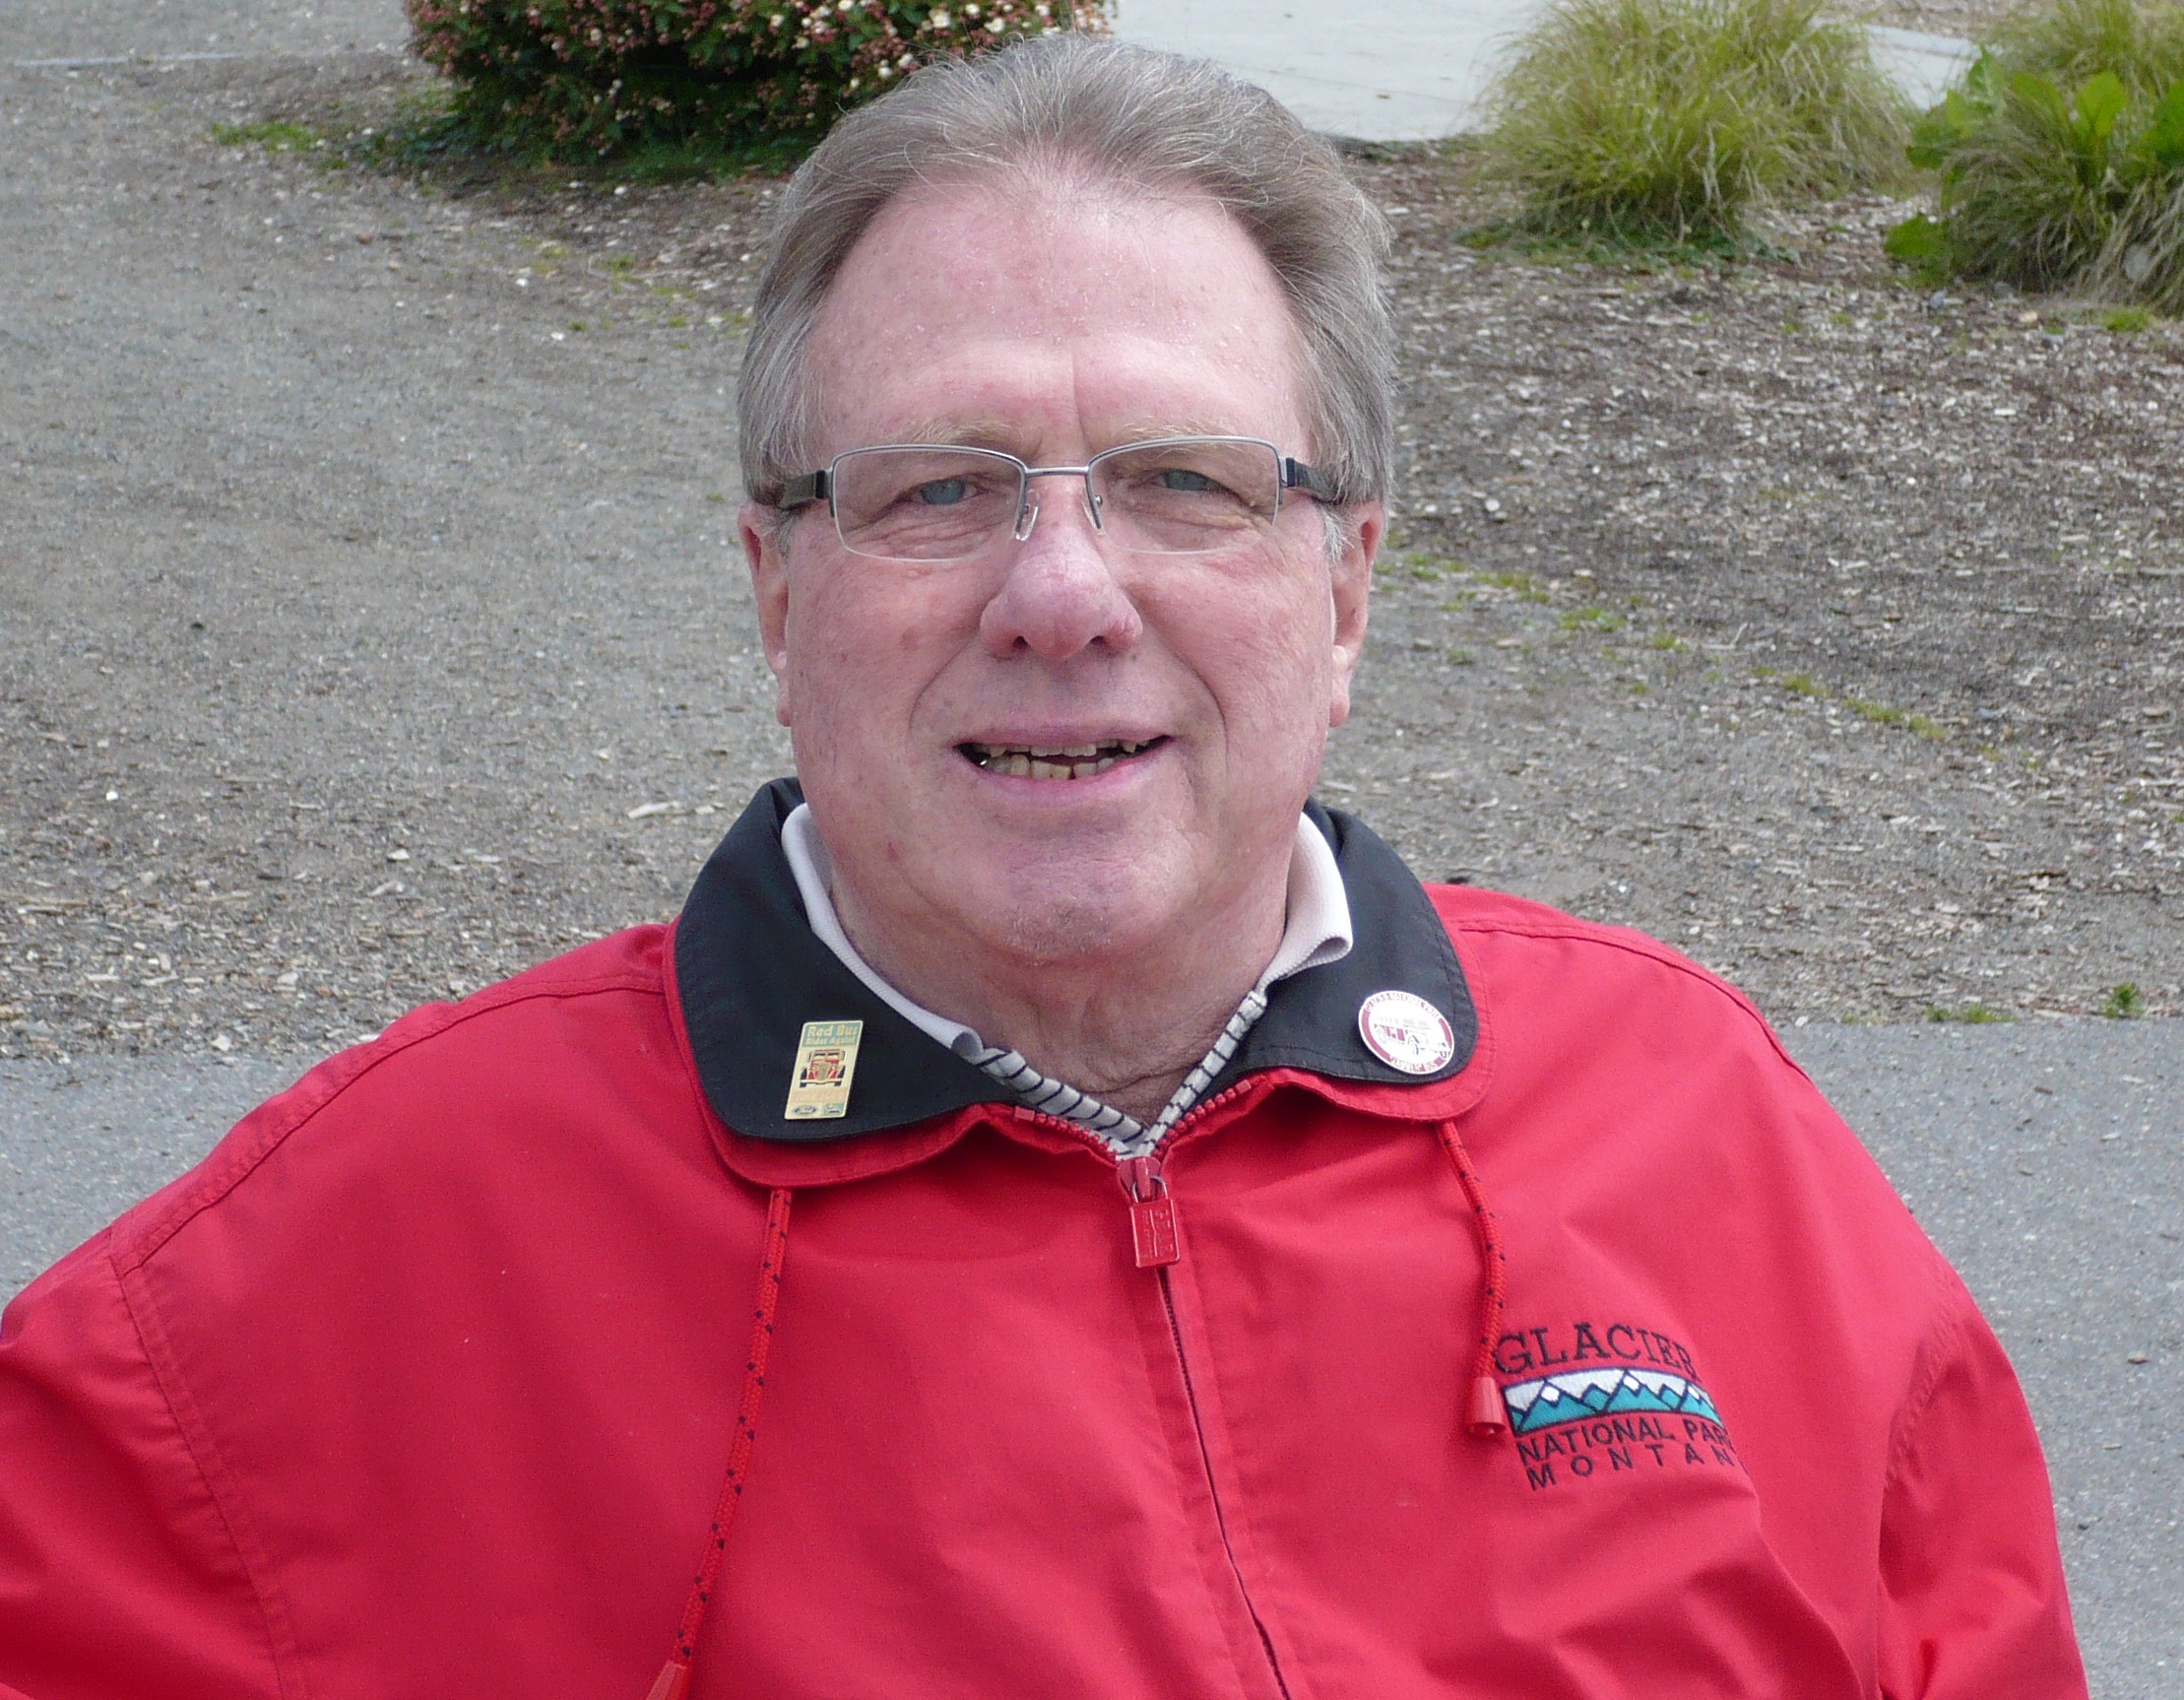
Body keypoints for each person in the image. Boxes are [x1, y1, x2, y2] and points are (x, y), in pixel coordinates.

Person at [0, 34, 2084, 1700]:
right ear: (777, 590)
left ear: (1346, 588)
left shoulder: (1699, 1125)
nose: (1063, 595)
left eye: (1182, 482)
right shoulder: (336, 1279)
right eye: (938, 488)